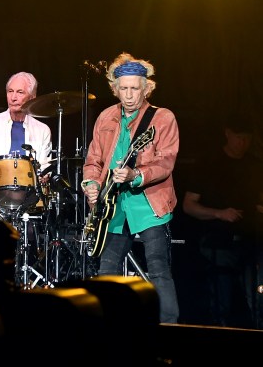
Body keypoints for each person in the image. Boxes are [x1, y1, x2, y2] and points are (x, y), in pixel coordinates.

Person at [82, 52, 180, 323]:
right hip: (113, 205)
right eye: (123, 88)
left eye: (134, 88)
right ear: (115, 89)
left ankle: (169, 327)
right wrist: (91, 184)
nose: (128, 95)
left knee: (158, 267)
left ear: (146, 88)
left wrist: (136, 174)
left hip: (149, 203)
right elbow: (94, 159)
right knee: (107, 269)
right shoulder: (105, 117)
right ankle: (106, 328)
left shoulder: (162, 118)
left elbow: (166, 162)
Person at [182, 112, 263, 328]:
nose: (243, 143)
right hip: (218, 242)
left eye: (247, 138)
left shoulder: (255, 165)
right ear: (228, 134)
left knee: (258, 299)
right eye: (239, 137)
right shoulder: (209, 164)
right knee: (221, 301)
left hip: (251, 241)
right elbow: (189, 205)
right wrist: (220, 213)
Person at [0, 71, 53, 211]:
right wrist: (5, 176)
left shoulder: (43, 130)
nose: (13, 97)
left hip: (28, 198)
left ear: (32, 97)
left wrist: (43, 176)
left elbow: (45, 168)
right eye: (10, 91)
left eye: (20, 92)